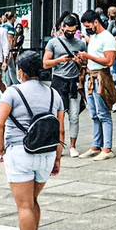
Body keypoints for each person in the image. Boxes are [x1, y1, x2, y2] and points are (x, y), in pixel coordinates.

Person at [0, 51, 64, 230]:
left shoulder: (12, 93)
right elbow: (60, 130)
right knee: (32, 201)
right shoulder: (54, 94)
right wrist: (57, 158)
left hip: (20, 153)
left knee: (24, 205)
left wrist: (1, 150)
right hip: (47, 153)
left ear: (20, 71)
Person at [43, 15, 86, 158]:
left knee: (74, 116)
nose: (71, 34)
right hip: (58, 81)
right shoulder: (53, 43)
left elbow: (85, 64)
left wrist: (79, 61)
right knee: (57, 116)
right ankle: (57, 144)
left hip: (73, 82)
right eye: (68, 31)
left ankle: (73, 145)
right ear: (62, 28)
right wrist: (59, 60)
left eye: (73, 32)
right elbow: (45, 63)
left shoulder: (80, 43)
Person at [77, 10, 116, 160]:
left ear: (96, 22)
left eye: (88, 25)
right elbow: (94, 59)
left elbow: (109, 61)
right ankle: (96, 144)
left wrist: (88, 56)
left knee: (103, 114)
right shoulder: (93, 37)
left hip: (101, 77)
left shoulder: (107, 37)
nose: (87, 29)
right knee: (94, 114)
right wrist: (83, 60)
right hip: (91, 76)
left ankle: (107, 148)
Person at [2, 11, 19, 86]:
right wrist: (10, 51)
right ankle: (14, 84)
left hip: (2, 49)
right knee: (11, 69)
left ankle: (10, 83)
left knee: (10, 68)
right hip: (8, 50)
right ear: (12, 18)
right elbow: (9, 40)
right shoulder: (10, 27)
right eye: (14, 17)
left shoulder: (2, 26)